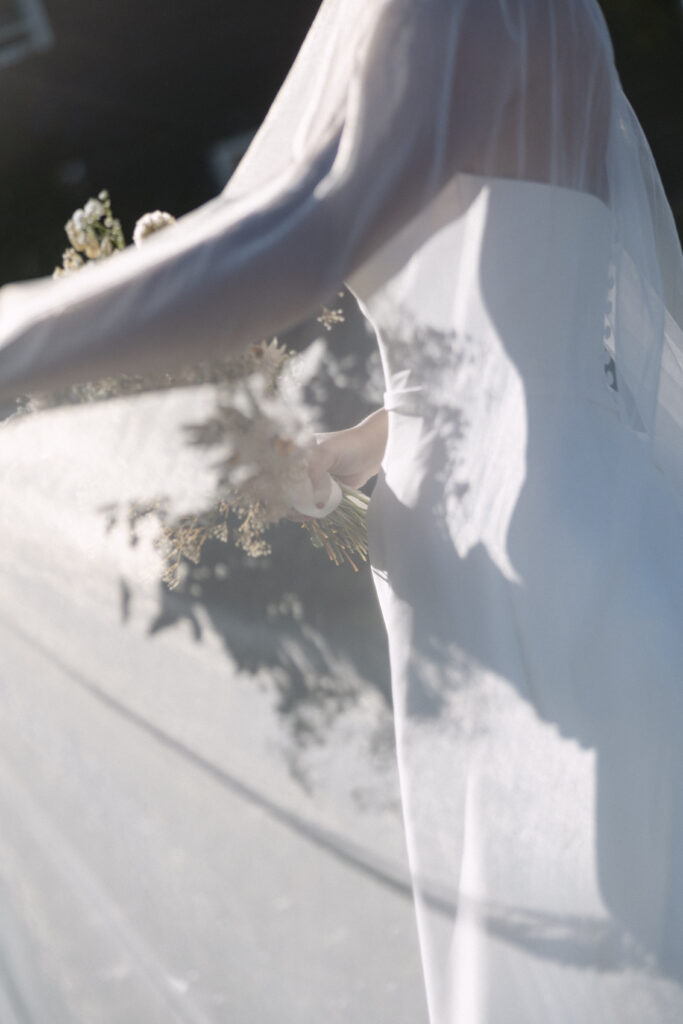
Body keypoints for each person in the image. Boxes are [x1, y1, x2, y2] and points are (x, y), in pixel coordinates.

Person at [0, 1, 682, 1021]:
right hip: (581, 515)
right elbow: (534, 318)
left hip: (520, 556)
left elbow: (301, 238)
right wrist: (350, 449)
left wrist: (22, 341)